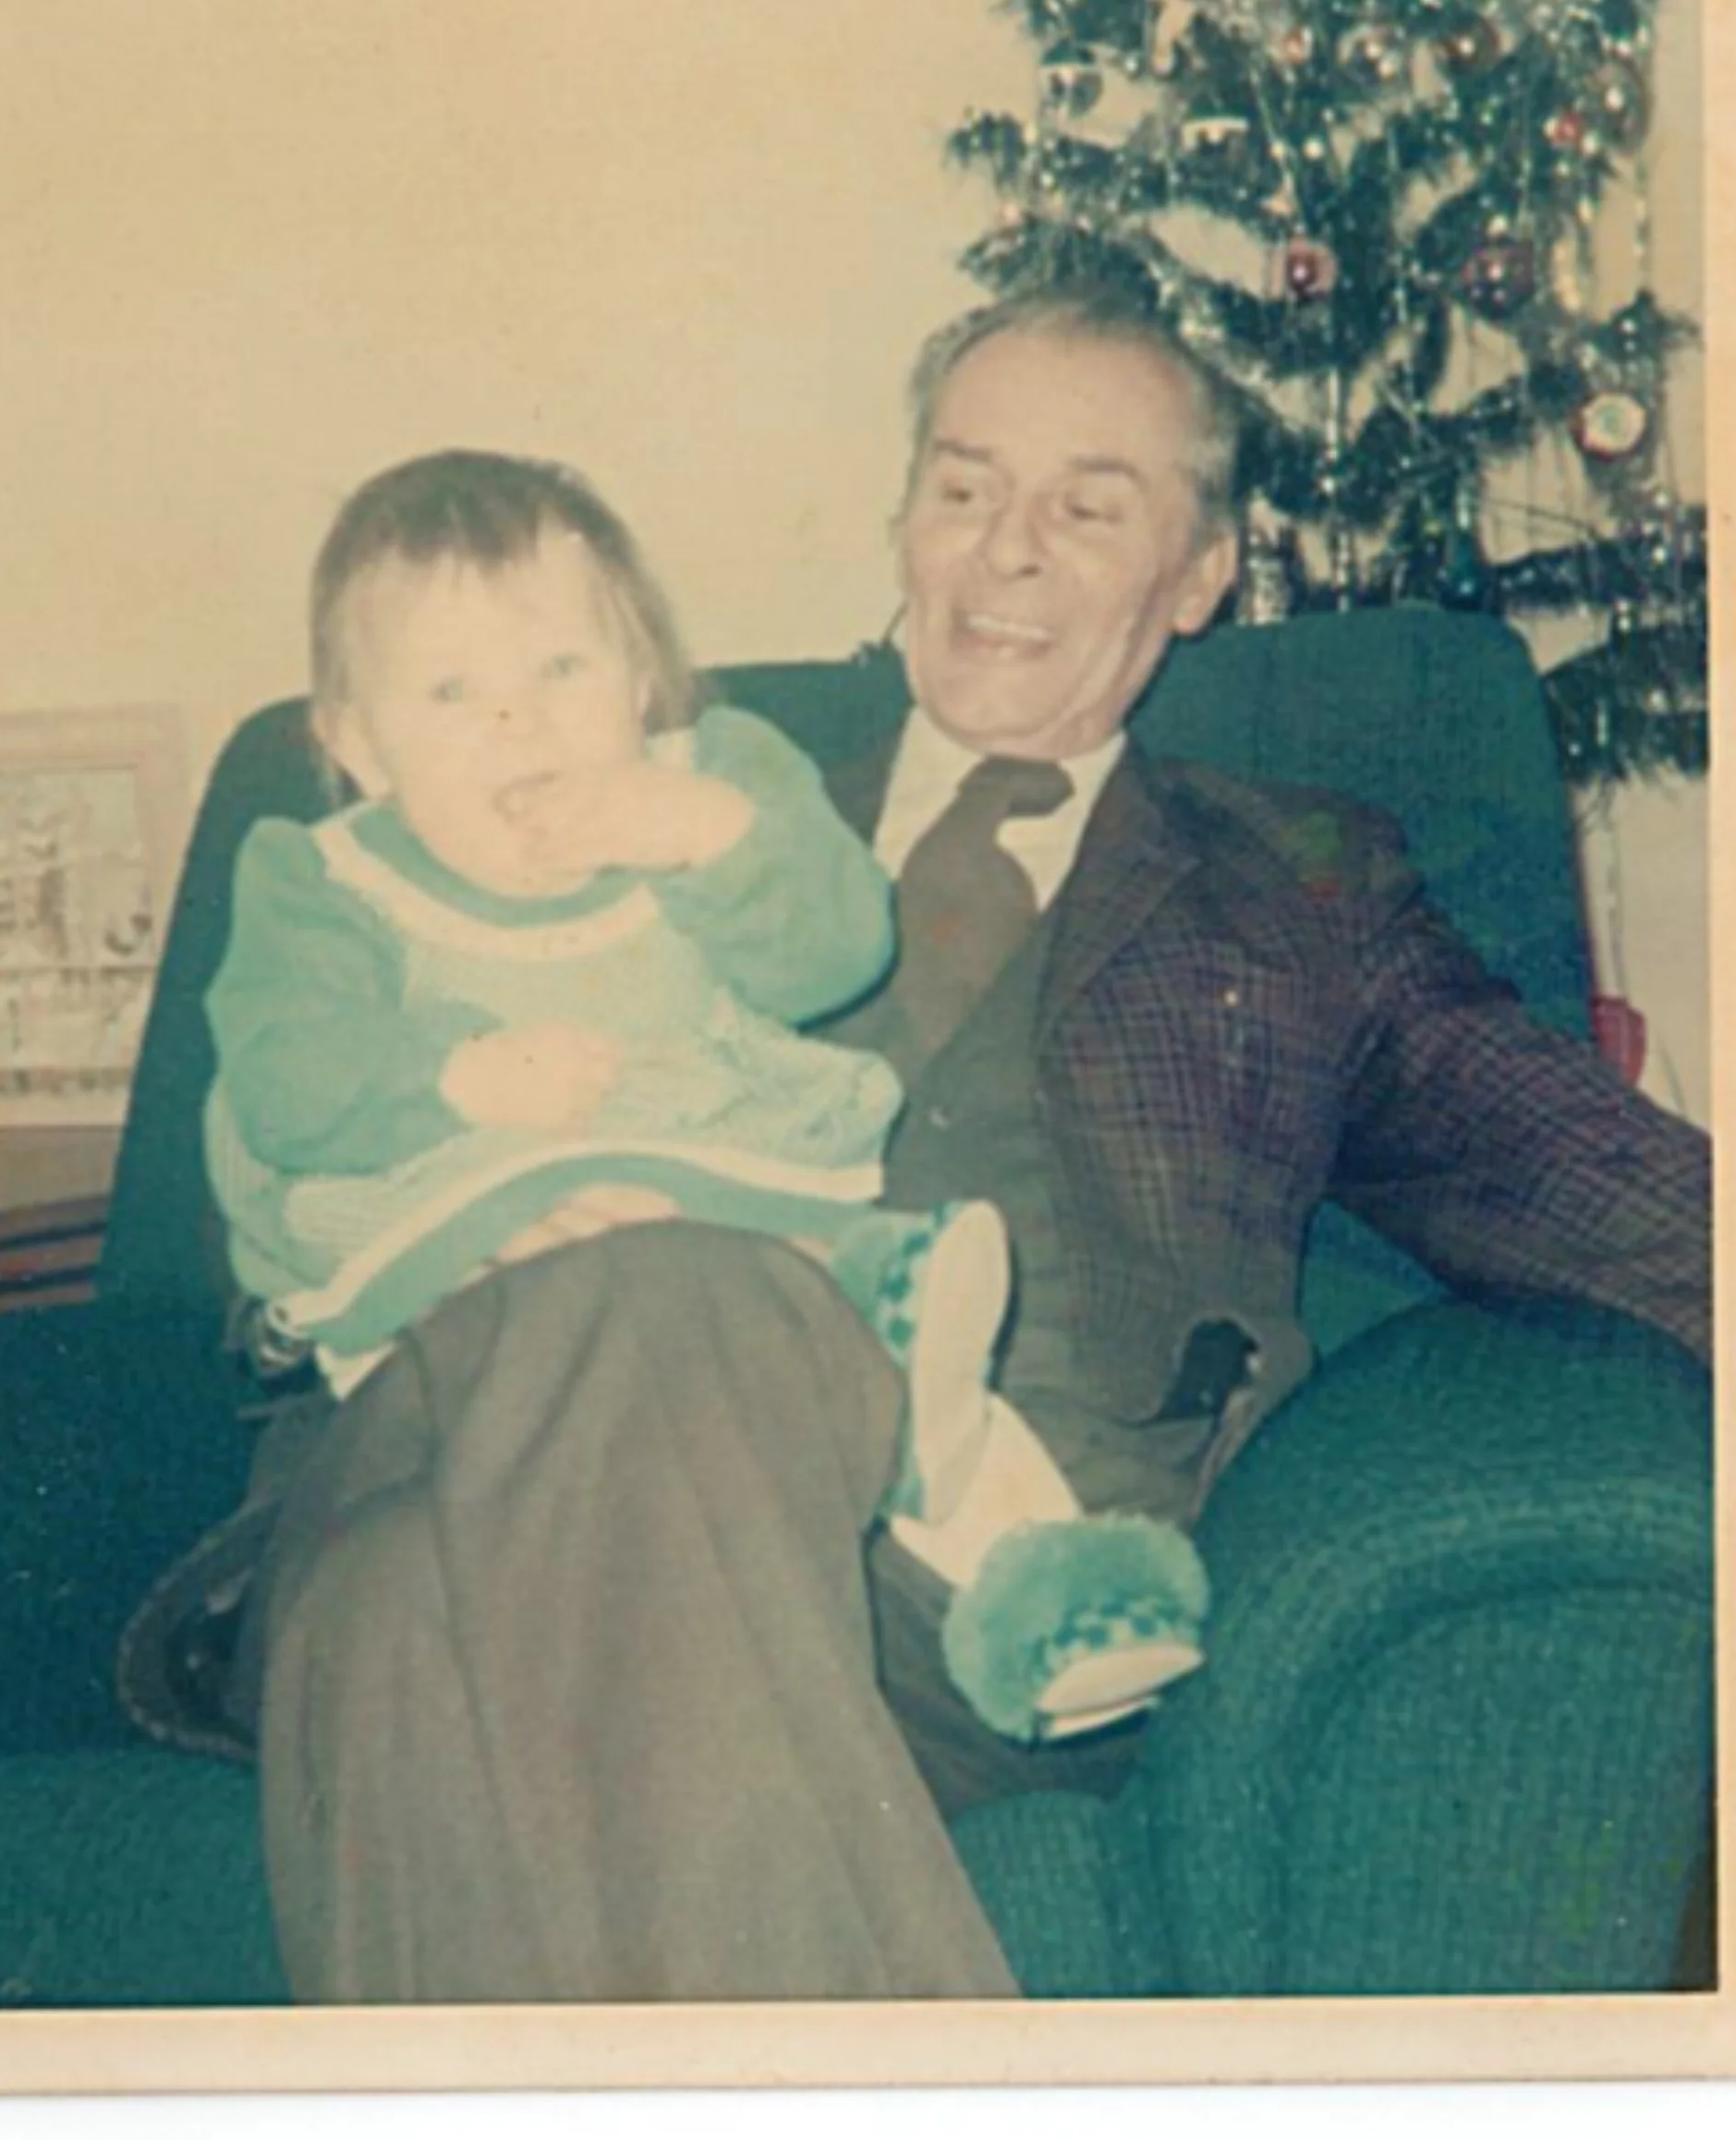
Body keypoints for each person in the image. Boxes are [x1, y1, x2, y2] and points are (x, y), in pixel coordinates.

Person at [124, 285, 1711, 2005]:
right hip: (433, 1426)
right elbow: (280, 1131)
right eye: (964, 489)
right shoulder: (605, 761)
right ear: (902, 522)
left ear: (1200, 577)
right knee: (634, 1331)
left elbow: (1600, 1188)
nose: (1006, 552)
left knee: (393, 1644)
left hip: (954, 1598)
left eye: (1087, 508)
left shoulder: (1300, 886)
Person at [200, 450, 1213, 1747]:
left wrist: (705, 839)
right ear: (354, 743)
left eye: (561, 670)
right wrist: (450, 1078)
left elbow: (837, 950)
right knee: (814, 1345)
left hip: (722, 1218)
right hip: (464, 1239)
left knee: (904, 1341)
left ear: (638, 679)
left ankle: (1048, 1592)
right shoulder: (324, 879)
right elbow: (282, 1077)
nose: (520, 723)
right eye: (451, 691)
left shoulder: (716, 781)